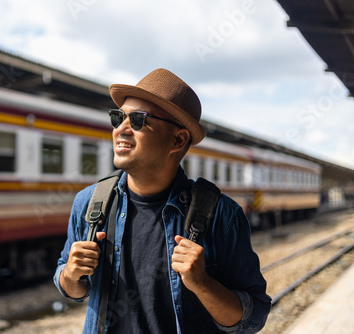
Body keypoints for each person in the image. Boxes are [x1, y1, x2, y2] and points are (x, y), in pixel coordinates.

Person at [54, 68, 271, 333]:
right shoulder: (90, 203)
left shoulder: (223, 216)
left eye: (137, 120)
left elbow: (253, 318)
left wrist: (202, 283)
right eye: (118, 118)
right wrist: (70, 274)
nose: (121, 129)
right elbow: (72, 289)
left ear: (178, 139)